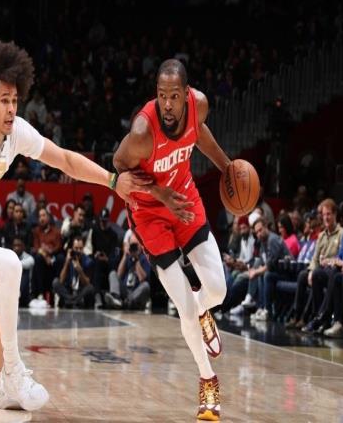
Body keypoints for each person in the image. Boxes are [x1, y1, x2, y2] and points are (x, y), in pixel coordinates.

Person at [0, 38, 149, 419]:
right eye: (4, 100)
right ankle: (13, 371)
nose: (12, 108)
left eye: (15, 100)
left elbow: (64, 159)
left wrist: (113, 181)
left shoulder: (16, 134)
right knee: (10, 264)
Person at [113, 59, 229, 421]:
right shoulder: (142, 132)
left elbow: (199, 133)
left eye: (174, 96)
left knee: (218, 290)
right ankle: (208, 380)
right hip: (149, 213)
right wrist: (158, 193)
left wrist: (228, 168)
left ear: (186, 95)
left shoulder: (200, 105)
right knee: (183, 307)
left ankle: (204, 309)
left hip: (184, 199)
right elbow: (119, 164)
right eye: (161, 95)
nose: (166, 104)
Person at [104, 233, 151, 310]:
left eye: (135, 245)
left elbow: (142, 279)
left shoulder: (144, 258)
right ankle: (116, 297)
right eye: (132, 245)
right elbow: (119, 275)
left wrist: (136, 260)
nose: (134, 247)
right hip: (125, 290)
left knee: (146, 285)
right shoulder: (127, 257)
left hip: (136, 291)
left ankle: (126, 302)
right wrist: (125, 255)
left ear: (140, 245)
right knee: (112, 274)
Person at [53, 236, 96, 308]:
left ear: (83, 248)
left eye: (80, 248)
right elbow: (61, 280)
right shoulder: (67, 258)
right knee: (55, 282)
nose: (78, 251)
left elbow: (87, 283)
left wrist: (80, 270)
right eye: (76, 248)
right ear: (72, 248)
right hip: (69, 291)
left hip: (80, 292)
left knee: (90, 288)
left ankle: (69, 301)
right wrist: (67, 262)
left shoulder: (88, 261)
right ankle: (74, 301)